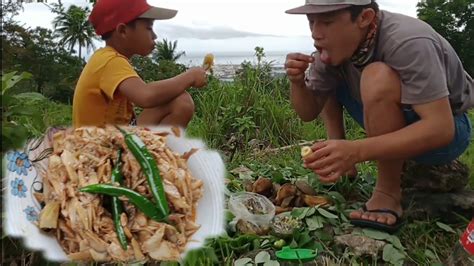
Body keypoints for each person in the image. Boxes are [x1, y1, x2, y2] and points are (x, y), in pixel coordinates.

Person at [284, 0, 473, 233]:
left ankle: (387, 192)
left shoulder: (408, 41)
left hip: (446, 129)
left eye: (327, 22)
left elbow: (441, 128)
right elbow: (307, 112)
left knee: (377, 76)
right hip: (396, 118)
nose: (316, 33)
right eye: (311, 22)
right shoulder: (334, 47)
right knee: (329, 66)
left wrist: (356, 151)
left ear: (364, 17)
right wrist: (297, 83)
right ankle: (344, 166)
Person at [72, 0, 207, 128]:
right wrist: (190, 76)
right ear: (123, 31)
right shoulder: (110, 61)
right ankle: (159, 151)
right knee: (181, 102)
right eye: (149, 28)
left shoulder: (107, 58)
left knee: (179, 102)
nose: (154, 36)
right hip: (99, 147)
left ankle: (158, 149)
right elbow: (146, 96)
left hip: (117, 137)